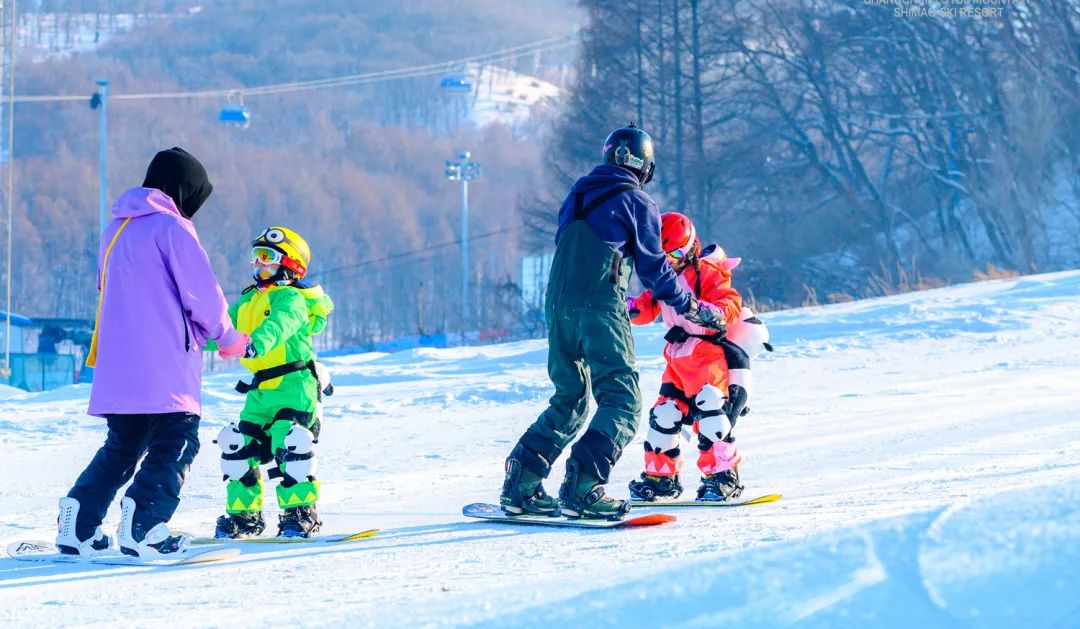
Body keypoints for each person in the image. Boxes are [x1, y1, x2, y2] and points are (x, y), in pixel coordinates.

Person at [499, 123, 725, 520]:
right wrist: (690, 306)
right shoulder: (638, 203)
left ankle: (522, 483)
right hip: (599, 306)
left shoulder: (577, 194)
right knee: (621, 400)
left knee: (570, 398)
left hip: (556, 305)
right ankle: (583, 486)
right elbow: (655, 270)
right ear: (646, 165)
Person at [57, 147, 249, 558]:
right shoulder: (172, 229)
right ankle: (144, 525)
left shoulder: (116, 230)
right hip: (163, 363)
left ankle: (79, 522)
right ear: (183, 191)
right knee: (177, 439)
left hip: (118, 365)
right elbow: (202, 292)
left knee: (123, 444)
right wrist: (227, 336)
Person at [626, 212, 772, 502]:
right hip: (677, 359)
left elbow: (729, 302)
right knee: (664, 413)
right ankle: (660, 478)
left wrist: (706, 311)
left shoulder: (707, 271)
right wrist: (628, 307)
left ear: (692, 246)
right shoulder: (665, 277)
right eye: (666, 256)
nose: (673, 260)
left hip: (708, 353)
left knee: (711, 411)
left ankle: (723, 477)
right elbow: (648, 306)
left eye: (678, 253)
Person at [213, 226, 334, 539]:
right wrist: (189, 336)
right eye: (255, 257)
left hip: (294, 385)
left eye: (266, 256)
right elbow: (222, 324)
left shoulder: (291, 298)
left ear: (289, 263)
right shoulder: (249, 300)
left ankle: (301, 514)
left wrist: (255, 342)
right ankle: (244, 517)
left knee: (290, 443)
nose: (258, 264)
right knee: (238, 445)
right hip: (261, 390)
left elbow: (279, 325)